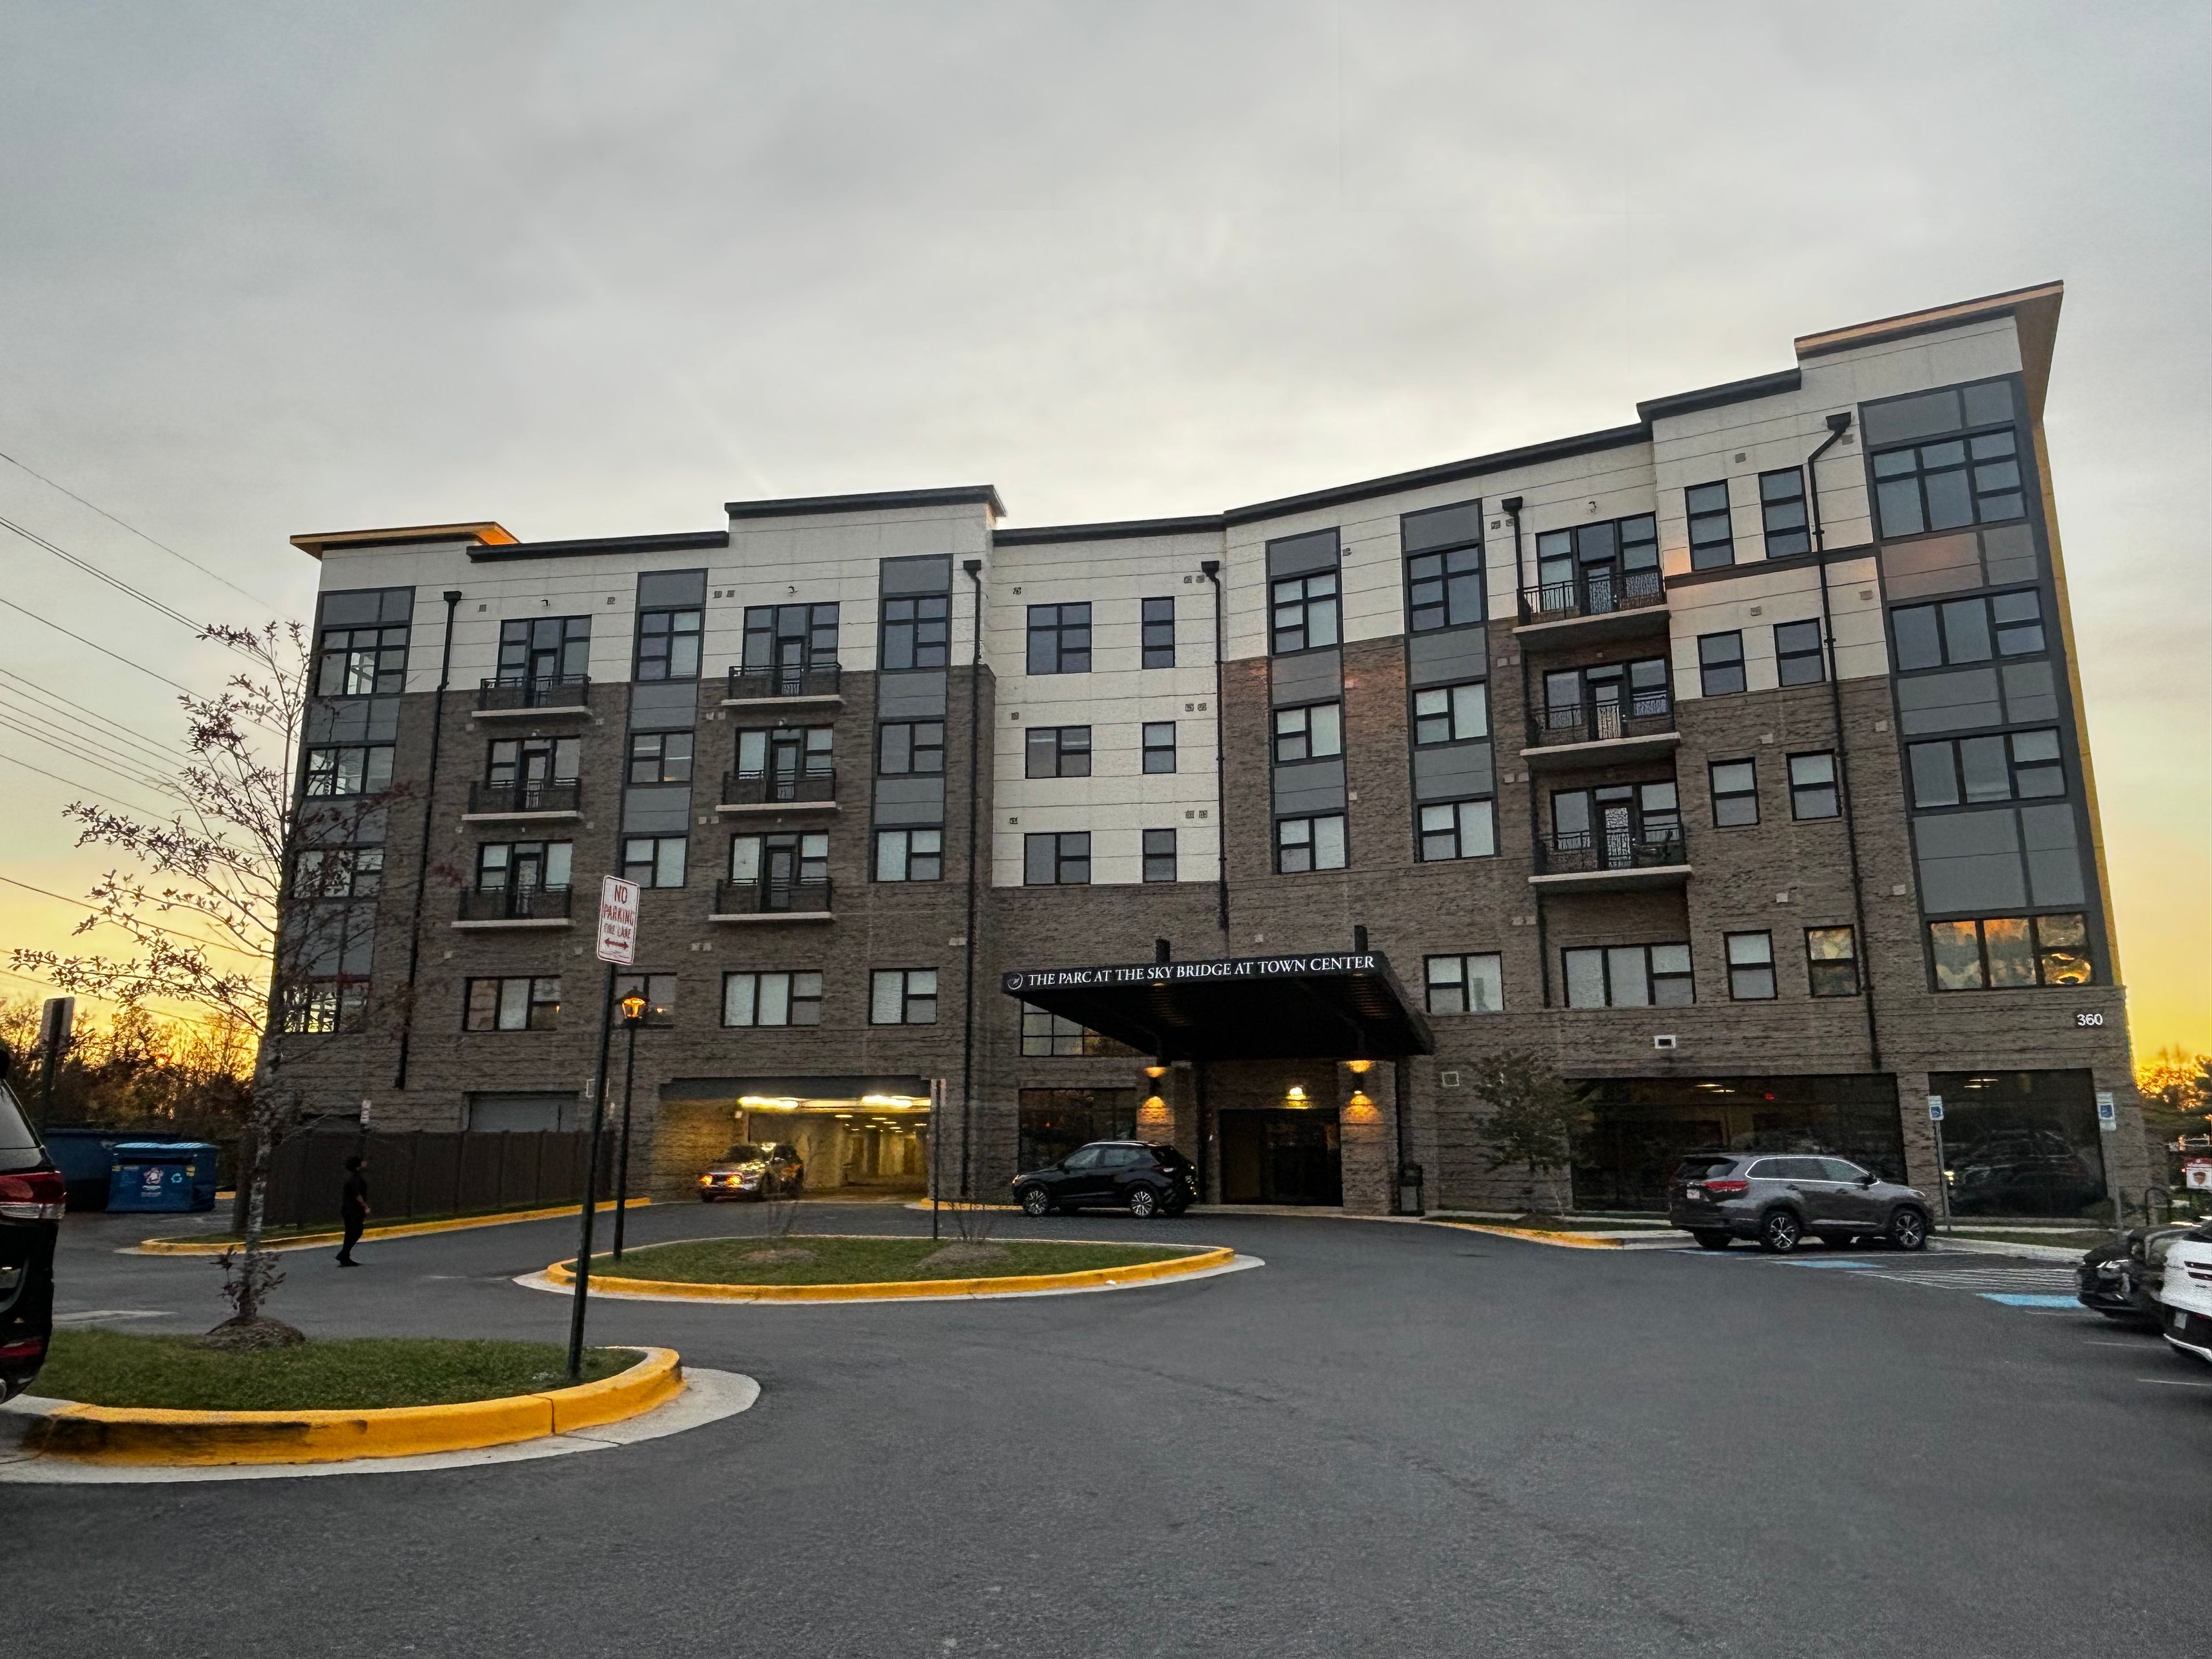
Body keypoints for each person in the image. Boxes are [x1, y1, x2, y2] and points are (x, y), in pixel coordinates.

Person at [337, 1155, 370, 1267]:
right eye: (363, 1162)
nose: (366, 1163)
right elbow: (357, 1194)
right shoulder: (354, 1178)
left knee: (352, 1232)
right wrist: (365, 1206)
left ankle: (344, 1256)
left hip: (351, 1209)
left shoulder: (355, 1177)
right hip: (352, 1210)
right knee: (356, 1231)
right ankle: (344, 1254)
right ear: (358, 1165)